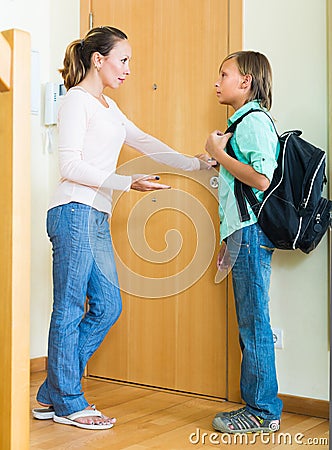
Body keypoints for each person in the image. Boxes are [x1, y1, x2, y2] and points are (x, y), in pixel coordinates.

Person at [32, 26, 212, 431]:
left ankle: (50, 394)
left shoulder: (108, 108)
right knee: (68, 308)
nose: (129, 69)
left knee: (109, 306)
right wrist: (126, 182)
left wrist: (199, 163)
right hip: (73, 211)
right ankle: (69, 402)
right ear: (99, 59)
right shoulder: (77, 101)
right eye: (124, 60)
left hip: (95, 216)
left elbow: (148, 143)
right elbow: (70, 167)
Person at [204, 51, 282, 433]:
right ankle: (260, 407)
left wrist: (218, 153)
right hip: (243, 233)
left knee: (254, 323)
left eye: (224, 74)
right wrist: (228, 239)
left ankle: (262, 411)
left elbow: (262, 179)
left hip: (251, 232)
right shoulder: (241, 123)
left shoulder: (253, 122)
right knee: (250, 322)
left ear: (246, 81)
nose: (217, 82)